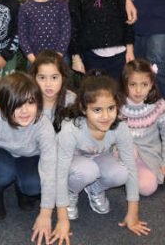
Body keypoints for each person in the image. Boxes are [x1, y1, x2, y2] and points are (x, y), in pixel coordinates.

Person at [54, 71, 149, 243]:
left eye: (111, 108)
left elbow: (132, 169)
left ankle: (95, 188)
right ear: (84, 109)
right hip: (71, 165)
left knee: (122, 173)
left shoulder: (120, 127)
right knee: (87, 171)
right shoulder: (71, 130)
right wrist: (62, 220)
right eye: (97, 110)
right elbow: (59, 174)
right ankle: (71, 191)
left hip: (96, 158)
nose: (106, 117)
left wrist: (133, 214)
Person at [0, 73, 56, 245]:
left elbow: (50, 171)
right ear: (5, 107)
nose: (25, 110)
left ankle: (22, 189)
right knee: (4, 172)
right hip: (0, 154)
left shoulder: (43, 126)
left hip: (28, 156)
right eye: (17, 104)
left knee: (33, 185)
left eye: (30, 102)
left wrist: (46, 213)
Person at [119, 59, 165, 196]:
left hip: (147, 156)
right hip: (120, 151)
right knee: (129, 150)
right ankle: (122, 173)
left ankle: (129, 176)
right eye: (132, 84)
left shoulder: (159, 106)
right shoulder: (117, 105)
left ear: (151, 85)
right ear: (125, 84)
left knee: (147, 188)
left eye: (144, 84)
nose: (138, 90)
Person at [17, 0, 71, 64]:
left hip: (60, 59)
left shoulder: (61, 5)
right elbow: (22, 36)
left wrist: (58, 56)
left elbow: (66, 32)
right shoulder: (25, 8)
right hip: (34, 59)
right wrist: (33, 59)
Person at [30, 50, 77, 132]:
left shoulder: (71, 100)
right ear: (34, 78)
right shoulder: (27, 101)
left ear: (63, 77)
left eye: (54, 78)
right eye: (42, 78)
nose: (48, 84)